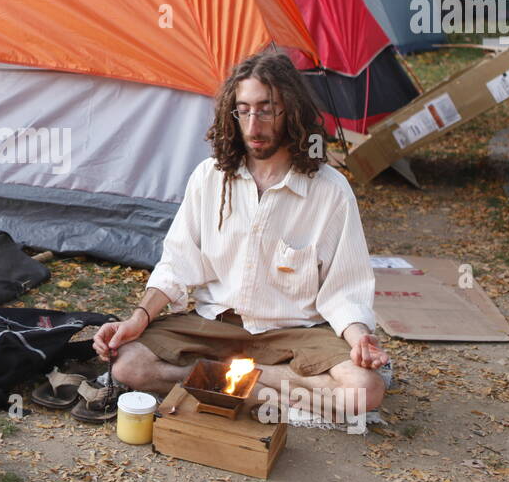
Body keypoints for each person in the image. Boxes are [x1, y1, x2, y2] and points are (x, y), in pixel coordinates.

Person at [93, 48, 388, 424]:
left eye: (266, 109)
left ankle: (221, 379)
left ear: (291, 111)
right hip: (213, 326)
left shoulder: (329, 191)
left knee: (364, 390)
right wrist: (138, 318)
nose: (253, 126)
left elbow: (344, 291)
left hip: (292, 335)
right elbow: (177, 265)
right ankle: (261, 387)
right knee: (128, 366)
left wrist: (358, 338)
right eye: (244, 110)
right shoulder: (209, 177)